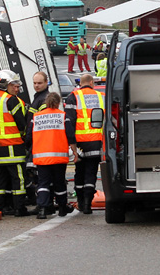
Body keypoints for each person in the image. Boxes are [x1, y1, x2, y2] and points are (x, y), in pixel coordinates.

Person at [0, 70, 29, 217]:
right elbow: (21, 123)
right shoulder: (11, 100)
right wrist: (24, 137)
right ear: (4, 84)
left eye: (17, 86)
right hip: (13, 147)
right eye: (13, 85)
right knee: (19, 180)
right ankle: (19, 208)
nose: (16, 89)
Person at [27, 92, 78, 219]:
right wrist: (75, 151)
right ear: (58, 103)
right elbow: (70, 135)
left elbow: (28, 137)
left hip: (41, 158)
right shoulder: (62, 116)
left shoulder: (36, 117)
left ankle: (42, 209)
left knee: (43, 183)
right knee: (59, 183)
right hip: (58, 157)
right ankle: (62, 208)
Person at [65, 74, 105, 214]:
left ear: (80, 83)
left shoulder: (73, 96)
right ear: (91, 82)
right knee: (91, 173)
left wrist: (71, 144)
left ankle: (81, 202)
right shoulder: (101, 97)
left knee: (79, 172)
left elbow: (69, 122)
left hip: (80, 143)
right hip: (96, 141)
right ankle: (88, 204)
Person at [24, 71, 51, 208]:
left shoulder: (43, 99)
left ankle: (43, 204)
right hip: (37, 142)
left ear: (46, 83)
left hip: (38, 142)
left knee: (40, 177)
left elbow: (36, 123)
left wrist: (28, 140)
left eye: (40, 83)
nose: (36, 85)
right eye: (34, 83)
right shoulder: (38, 97)